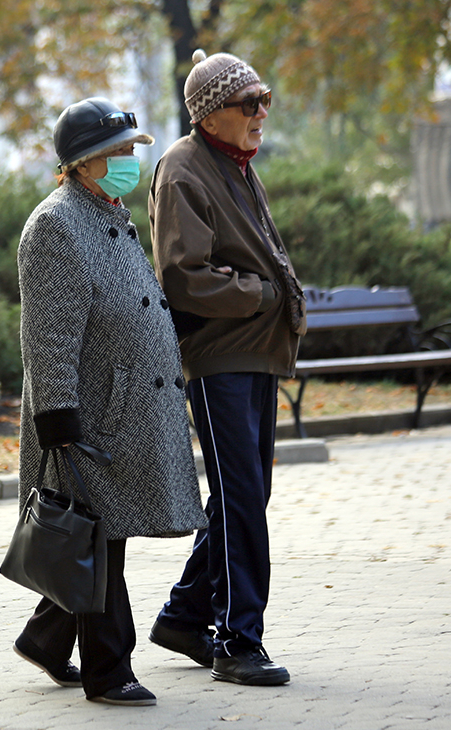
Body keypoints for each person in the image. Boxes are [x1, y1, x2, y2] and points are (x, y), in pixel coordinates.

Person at [12, 97, 207, 706]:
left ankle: (46, 639)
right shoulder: (55, 225)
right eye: (120, 153)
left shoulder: (108, 211)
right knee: (100, 540)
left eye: (131, 151)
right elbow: (48, 334)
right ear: (85, 162)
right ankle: (108, 670)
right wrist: (59, 419)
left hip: (122, 409)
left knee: (97, 537)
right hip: (88, 415)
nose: (131, 162)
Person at [146, 50, 306, 687]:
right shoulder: (183, 169)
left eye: (264, 98)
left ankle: (185, 615)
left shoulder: (235, 163)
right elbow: (183, 278)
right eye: (249, 103)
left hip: (256, 353)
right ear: (212, 115)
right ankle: (239, 643)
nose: (261, 112)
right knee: (242, 500)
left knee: (249, 495)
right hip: (220, 359)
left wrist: (276, 303)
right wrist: (264, 297)